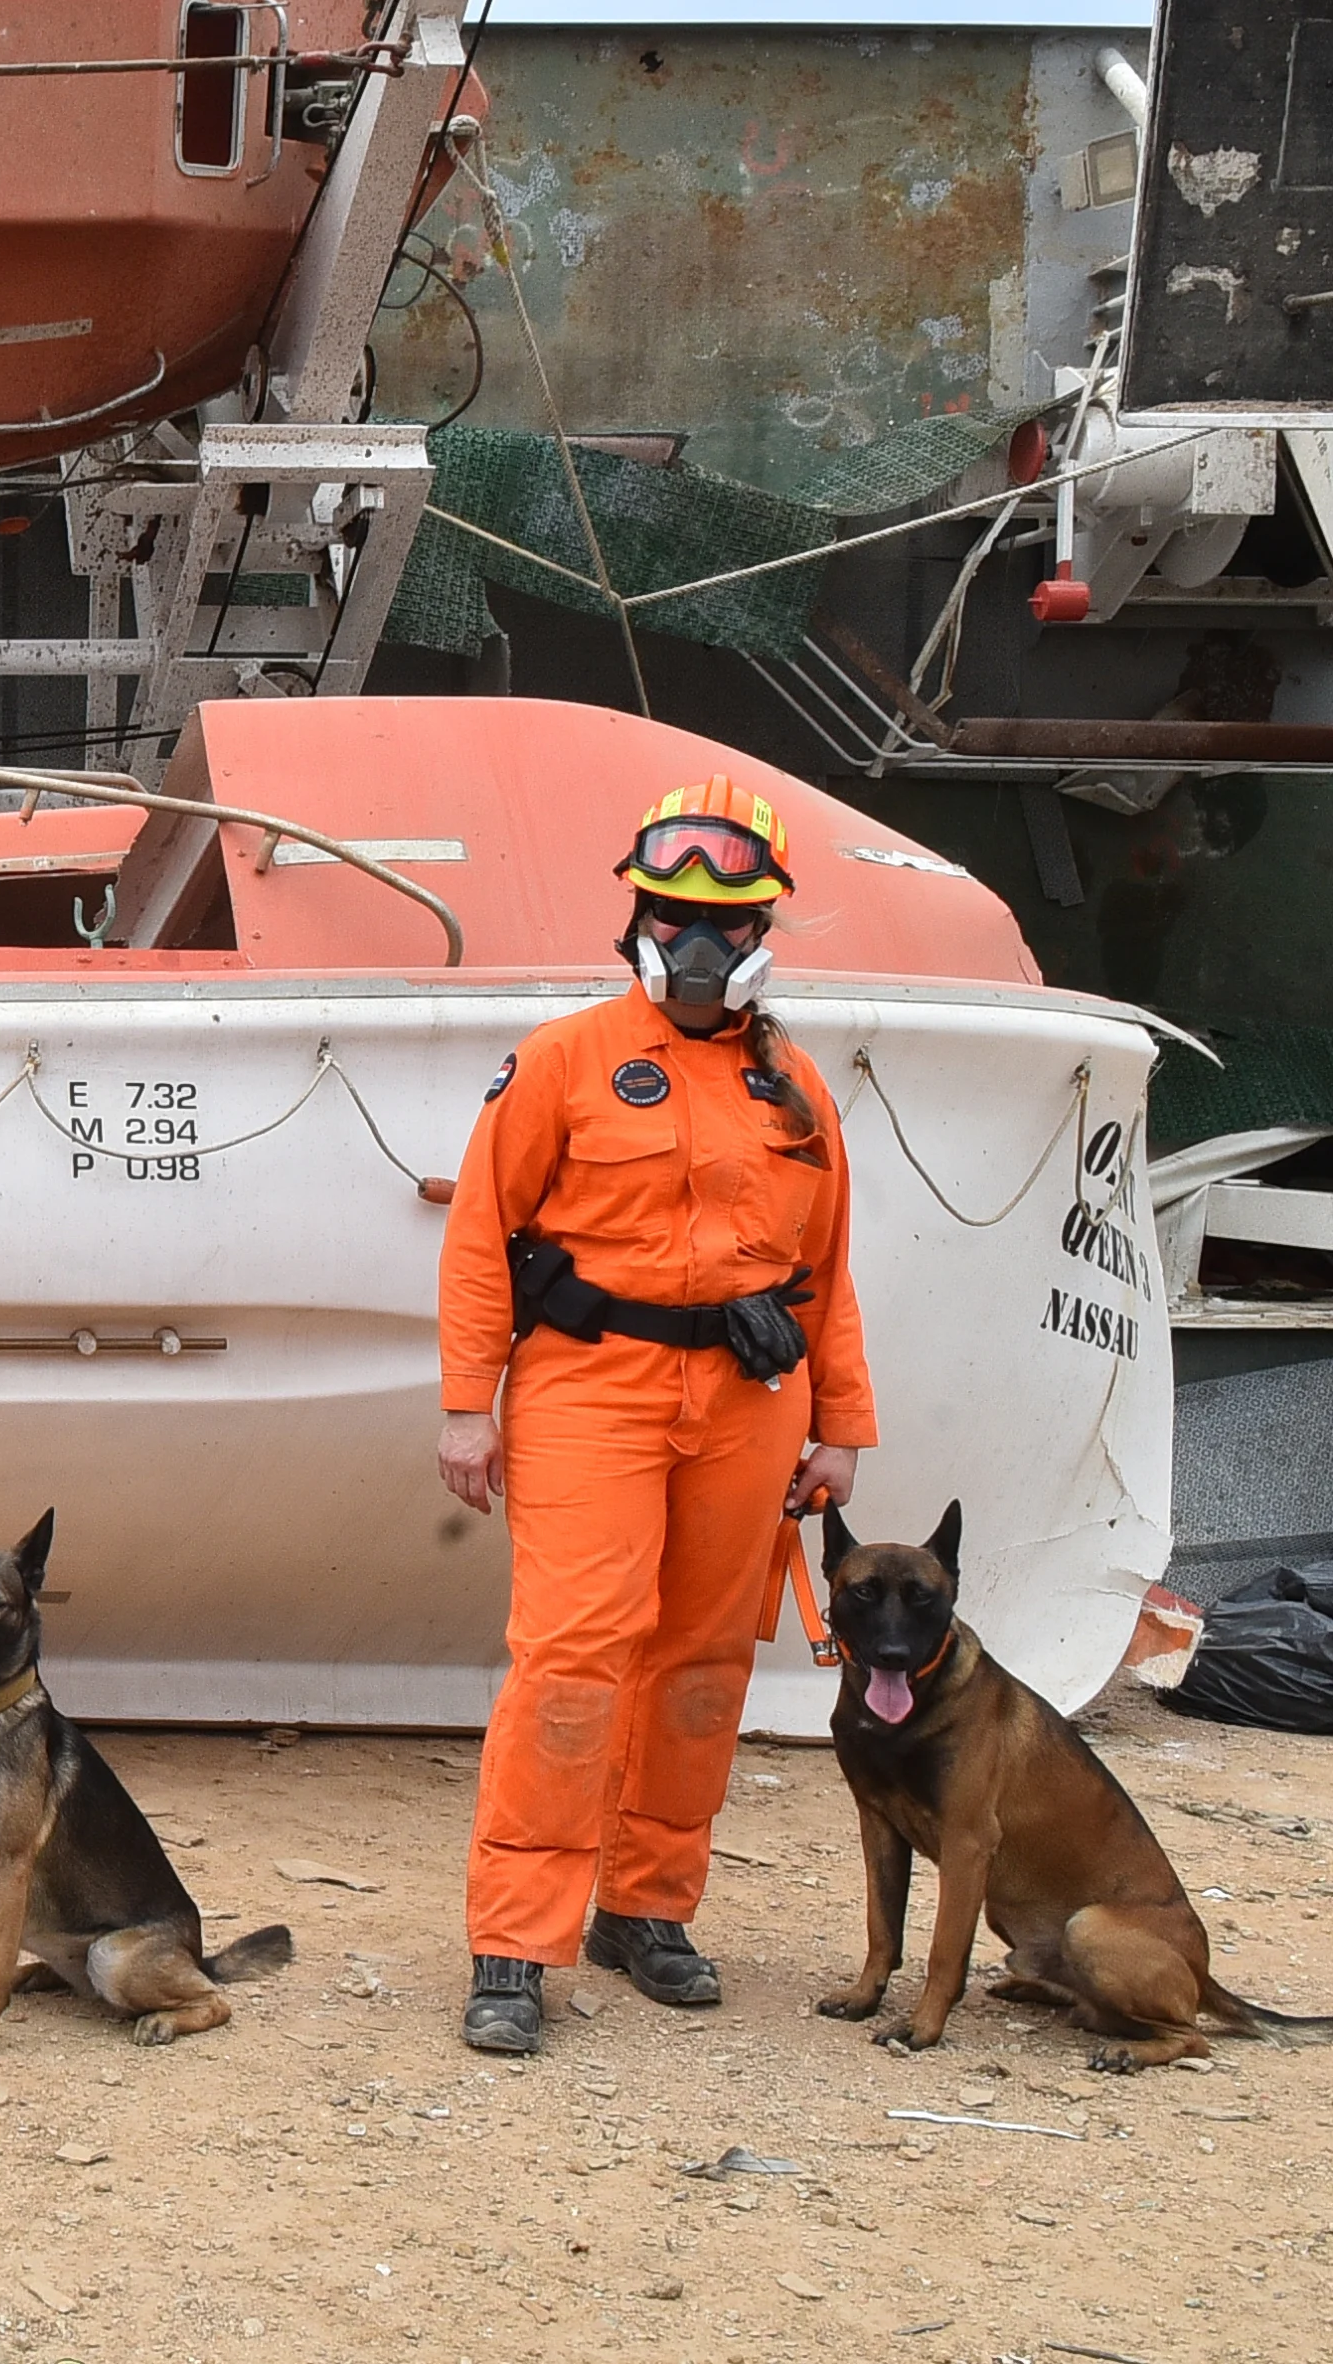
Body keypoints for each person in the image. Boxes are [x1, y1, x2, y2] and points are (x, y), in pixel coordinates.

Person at [433, 775, 874, 2056]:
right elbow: (480, 1241)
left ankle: (647, 1906)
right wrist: (471, 1407)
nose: (697, 941)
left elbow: (828, 1274)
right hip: (591, 1386)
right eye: (675, 911)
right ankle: (516, 1936)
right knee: (573, 1656)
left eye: (725, 919)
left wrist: (838, 1424)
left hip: (747, 1403)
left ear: (762, 932)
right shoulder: (566, 1061)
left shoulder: (797, 1092)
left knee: (702, 1663)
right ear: (636, 912)